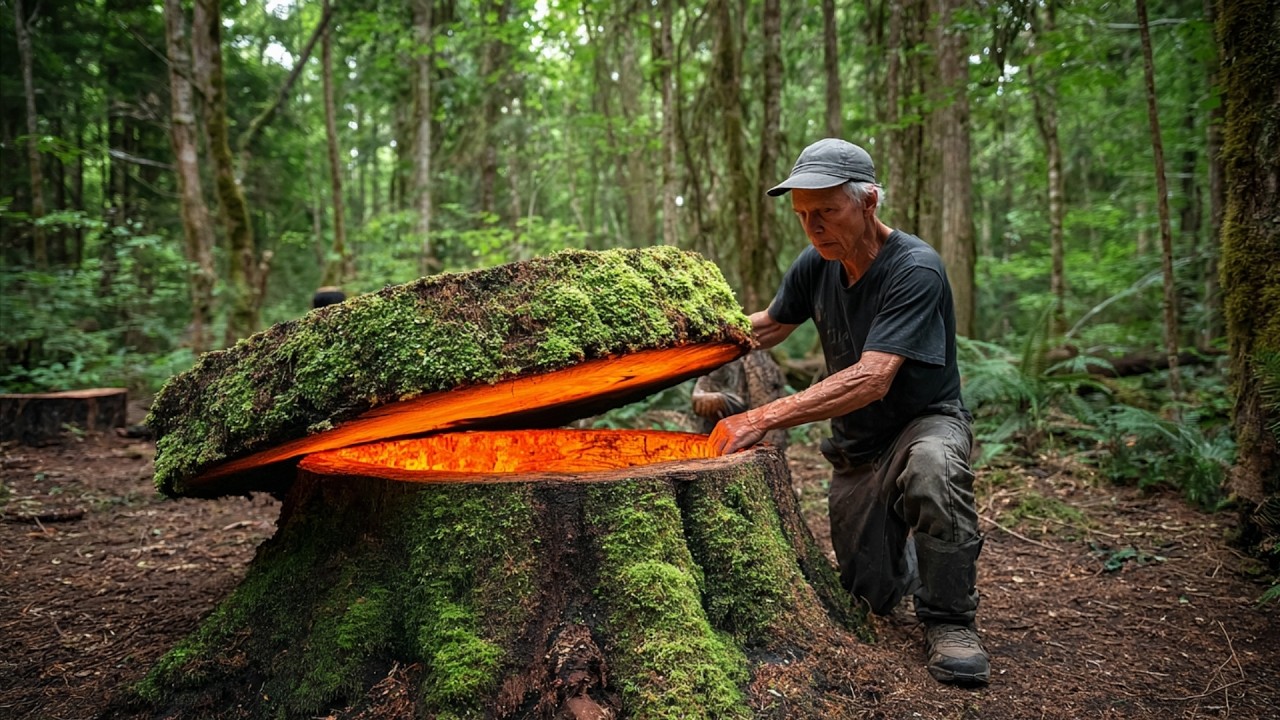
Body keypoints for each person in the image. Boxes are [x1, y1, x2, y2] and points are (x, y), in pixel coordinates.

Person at [708, 138, 989, 686]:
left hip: (923, 422)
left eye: (827, 212)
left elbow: (871, 378)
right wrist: (687, 342)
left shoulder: (916, 268)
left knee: (934, 468)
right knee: (872, 596)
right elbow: (766, 327)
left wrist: (761, 417)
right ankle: (904, 554)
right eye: (803, 216)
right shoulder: (815, 265)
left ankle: (952, 621)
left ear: (869, 202)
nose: (814, 228)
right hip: (858, 449)